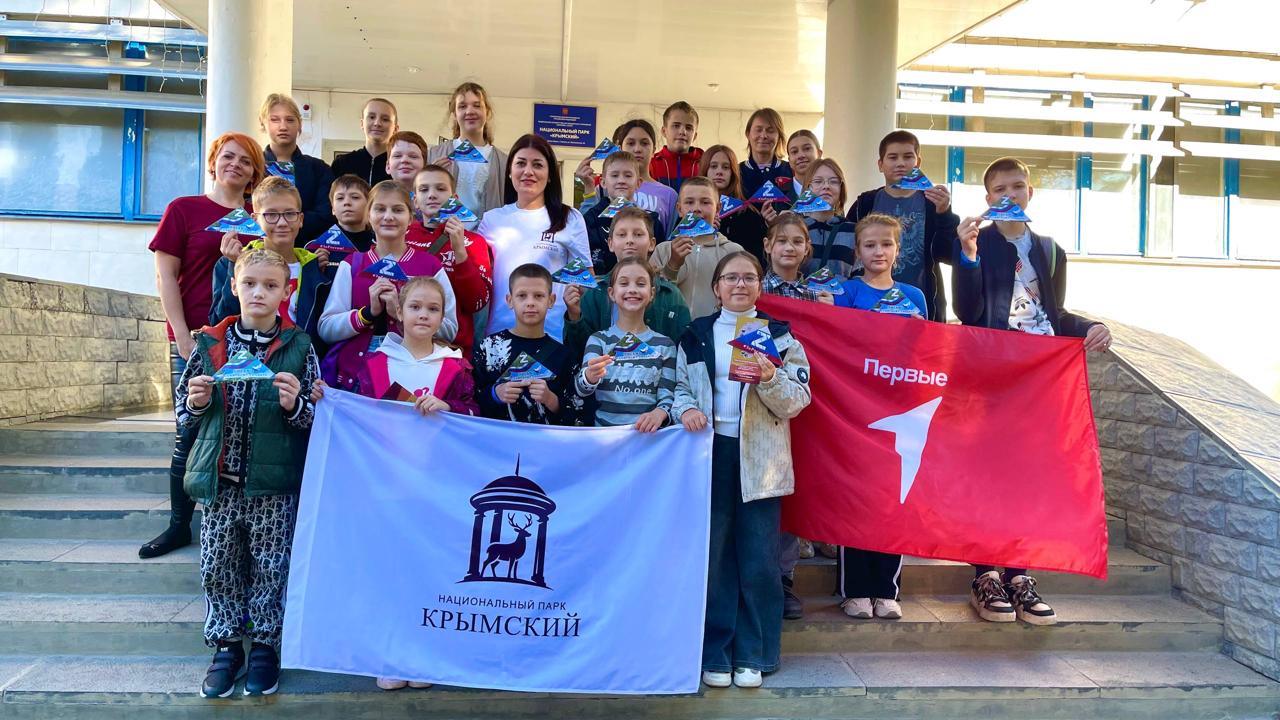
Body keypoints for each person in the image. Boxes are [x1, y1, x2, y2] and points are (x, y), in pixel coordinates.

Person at [952, 156, 1112, 626]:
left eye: (1017, 186)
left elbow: (1054, 314)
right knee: (989, 476)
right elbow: (969, 311)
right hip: (992, 376)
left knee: (1027, 476)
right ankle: (985, 575)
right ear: (987, 198)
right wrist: (967, 256)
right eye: (999, 189)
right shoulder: (978, 242)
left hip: (1039, 379)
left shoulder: (1049, 248)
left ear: (1030, 192)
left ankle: (1019, 575)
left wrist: (1090, 325)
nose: (1009, 194)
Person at [176, 247, 320, 698]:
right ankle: (225, 646)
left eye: (270, 285)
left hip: (274, 487)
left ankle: (264, 645)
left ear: (286, 291)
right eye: (250, 284)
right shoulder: (210, 344)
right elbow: (183, 415)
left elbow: (316, 420)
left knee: (271, 567)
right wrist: (196, 402)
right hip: (219, 484)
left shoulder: (299, 346)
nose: (259, 292)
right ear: (234, 286)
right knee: (218, 564)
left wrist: (296, 404)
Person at [672, 251, 812, 689]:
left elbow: (797, 401)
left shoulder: (779, 336)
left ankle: (755, 653)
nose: (739, 284)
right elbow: (678, 388)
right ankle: (715, 651)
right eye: (730, 278)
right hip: (709, 453)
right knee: (714, 557)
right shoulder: (696, 334)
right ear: (716, 288)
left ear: (759, 286)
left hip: (761, 458)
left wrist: (769, 376)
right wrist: (686, 408)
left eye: (749, 278)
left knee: (759, 559)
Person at [142, 131, 265, 559]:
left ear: (254, 174)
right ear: (213, 162)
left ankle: (234, 525)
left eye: (245, 161)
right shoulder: (184, 209)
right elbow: (165, 276)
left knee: (235, 433)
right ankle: (179, 525)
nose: (235, 165)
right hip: (193, 338)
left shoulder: (258, 219)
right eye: (228, 156)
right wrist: (179, 333)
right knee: (189, 432)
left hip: (243, 341)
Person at [827, 214, 930, 622]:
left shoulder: (914, 296)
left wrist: (921, 336)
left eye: (886, 244)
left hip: (900, 411)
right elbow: (838, 343)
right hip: (856, 410)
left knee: (893, 497)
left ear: (897, 250)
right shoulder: (846, 291)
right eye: (869, 245)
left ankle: (887, 589)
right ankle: (854, 590)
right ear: (857, 251)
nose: (878, 251)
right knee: (855, 497)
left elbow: (926, 355)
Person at [316, 181, 458, 390]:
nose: (388, 216)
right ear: (368, 216)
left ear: (411, 218)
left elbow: (450, 330)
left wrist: (401, 313)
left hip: (411, 377)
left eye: (398, 210)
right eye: (380, 209)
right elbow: (326, 329)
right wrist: (367, 314)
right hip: (354, 377)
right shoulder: (353, 264)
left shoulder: (430, 266)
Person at [760, 213, 831, 621]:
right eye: (781, 240)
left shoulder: (818, 297)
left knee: (792, 488)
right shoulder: (752, 289)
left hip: (803, 402)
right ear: (767, 246)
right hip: (757, 403)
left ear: (807, 249)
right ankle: (757, 576)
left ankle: (784, 577)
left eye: (797, 241)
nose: (789, 247)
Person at [477, 133, 590, 342]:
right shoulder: (491, 220)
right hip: (499, 338)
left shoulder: (570, 218)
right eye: (521, 163)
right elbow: (478, 282)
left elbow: (586, 280)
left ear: (550, 174)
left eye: (537, 165)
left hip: (553, 337)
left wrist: (573, 302)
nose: (528, 171)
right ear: (510, 171)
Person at [208, 177, 334, 351]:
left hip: (298, 360)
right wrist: (235, 266)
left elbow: (321, 329)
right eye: (271, 215)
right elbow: (218, 321)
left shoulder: (315, 269)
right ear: (255, 220)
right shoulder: (230, 262)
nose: (282, 223)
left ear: (301, 219)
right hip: (247, 361)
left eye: (290, 214)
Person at [847, 130, 959, 322]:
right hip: (869, 308)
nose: (900, 163)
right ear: (880, 164)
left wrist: (945, 214)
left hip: (920, 305)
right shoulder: (865, 203)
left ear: (918, 162)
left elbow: (949, 255)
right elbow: (847, 252)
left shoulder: (933, 204)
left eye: (908, 157)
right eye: (893, 157)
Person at [564, 206, 690, 358]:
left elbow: (684, 350)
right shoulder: (594, 293)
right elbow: (579, 352)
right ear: (610, 243)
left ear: (652, 243)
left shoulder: (670, 294)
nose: (630, 240)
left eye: (638, 234)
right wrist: (574, 316)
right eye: (622, 235)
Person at [573, 257, 677, 430]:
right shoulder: (598, 340)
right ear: (611, 293)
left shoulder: (665, 346)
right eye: (624, 283)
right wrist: (590, 376)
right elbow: (581, 390)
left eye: (640, 284)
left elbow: (667, 398)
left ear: (652, 293)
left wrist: (659, 413)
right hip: (604, 437)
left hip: (649, 438)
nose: (632, 290)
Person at [473, 263, 576, 425]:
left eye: (538, 296)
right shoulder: (489, 347)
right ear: (509, 300)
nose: (530, 303)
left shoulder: (563, 355)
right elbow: (469, 400)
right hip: (495, 438)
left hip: (543, 439)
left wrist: (550, 399)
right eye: (522, 295)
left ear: (551, 300)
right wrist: (495, 394)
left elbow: (576, 412)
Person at [407, 164, 494, 352]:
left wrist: (460, 251)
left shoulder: (474, 242)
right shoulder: (402, 237)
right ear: (415, 201)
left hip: (452, 349)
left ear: (455, 199)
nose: (432, 195)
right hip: (403, 345)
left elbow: (477, 303)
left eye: (440, 189)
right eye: (424, 189)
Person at [651, 176, 745, 319]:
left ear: (718, 208)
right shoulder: (662, 250)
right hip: (670, 330)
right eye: (689, 202)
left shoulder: (733, 252)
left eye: (705, 202)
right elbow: (653, 296)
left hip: (714, 330)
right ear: (679, 209)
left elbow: (741, 298)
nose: (697, 209)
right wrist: (672, 265)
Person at [258, 93, 333, 244]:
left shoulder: (319, 169)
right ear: (263, 124)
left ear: (299, 124)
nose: (283, 126)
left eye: (290, 120)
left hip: (306, 248)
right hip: (258, 249)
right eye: (275, 120)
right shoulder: (252, 166)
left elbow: (326, 214)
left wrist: (286, 222)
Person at [426, 81, 508, 218]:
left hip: (487, 231)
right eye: (462, 106)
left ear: (487, 112)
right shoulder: (434, 154)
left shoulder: (504, 162)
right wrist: (430, 177)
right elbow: (417, 197)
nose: (470, 111)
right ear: (454, 114)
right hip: (444, 230)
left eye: (477, 105)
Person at [580, 150, 664, 275]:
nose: (621, 180)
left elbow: (658, 264)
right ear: (603, 182)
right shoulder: (590, 219)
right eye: (614, 175)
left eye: (628, 176)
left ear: (638, 183)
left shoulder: (652, 221)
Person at [700, 144, 768, 266]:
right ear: (705, 170)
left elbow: (757, 260)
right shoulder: (692, 211)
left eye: (726, 167)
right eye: (713, 166)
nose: (719, 172)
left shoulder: (749, 214)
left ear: (733, 173)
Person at [799, 159, 859, 282]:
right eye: (818, 181)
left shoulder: (853, 231)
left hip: (842, 294)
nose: (826, 186)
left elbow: (860, 275)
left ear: (841, 189)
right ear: (807, 189)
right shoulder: (797, 228)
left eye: (833, 181)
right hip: (802, 294)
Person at [614, 119, 678, 230]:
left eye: (644, 143)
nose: (637, 149)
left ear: (653, 150)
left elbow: (671, 237)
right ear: (620, 149)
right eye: (631, 143)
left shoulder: (669, 195)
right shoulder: (607, 188)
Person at [331, 97, 397, 186]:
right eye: (372, 117)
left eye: (385, 119)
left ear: (395, 128)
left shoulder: (400, 166)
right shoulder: (342, 164)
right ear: (362, 124)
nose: (377, 123)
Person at [739, 108, 794, 202]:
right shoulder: (736, 172)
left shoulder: (791, 170)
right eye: (758, 130)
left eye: (770, 130)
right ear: (748, 134)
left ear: (779, 136)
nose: (764, 136)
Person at [649, 101, 703, 192]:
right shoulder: (651, 164)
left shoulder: (705, 163)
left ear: (695, 136)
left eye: (689, 128)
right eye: (676, 126)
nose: (682, 132)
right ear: (664, 131)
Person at [330, 174, 376, 252]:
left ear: (369, 206)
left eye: (355, 197)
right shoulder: (318, 247)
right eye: (340, 198)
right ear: (333, 209)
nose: (347, 202)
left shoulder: (381, 245)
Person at [385, 130, 428, 195]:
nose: (404, 160)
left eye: (413, 156)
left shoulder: (434, 198)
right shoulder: (378, 198)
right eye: (397, 156)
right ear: (388, 166)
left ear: (425, 167)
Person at [786, 130, 822, 198]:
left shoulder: (829, 189)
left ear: (819, 154)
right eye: (794, 151)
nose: (801, 155)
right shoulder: (778, 195)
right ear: (789, 160)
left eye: (807, 148)